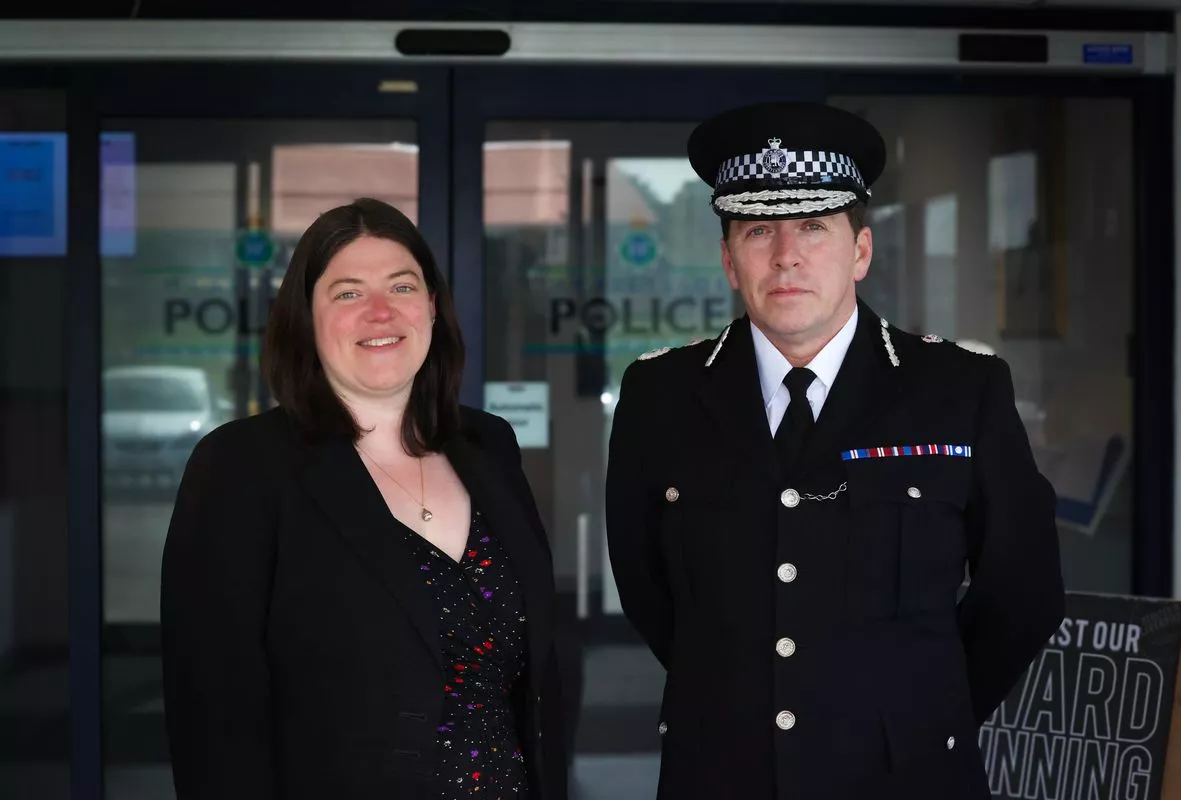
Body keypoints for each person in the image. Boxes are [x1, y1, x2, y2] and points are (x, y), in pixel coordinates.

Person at [605, 102, 1065, 799]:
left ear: (860, 251)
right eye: (759, 229)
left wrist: (920, 711)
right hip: (721, 770)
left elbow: (1023, 592)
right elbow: (649, 588)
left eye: (814, 227)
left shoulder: (960, 390)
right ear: (729, 260)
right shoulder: (659, 396)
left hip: (905, 774)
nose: (787, 255)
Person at [160, 197, 566, 800]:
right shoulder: (241, 468)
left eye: (401, 287)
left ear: (430, 305)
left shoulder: (490, 446)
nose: (380, 312)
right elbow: (214, 714)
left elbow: (534, 679)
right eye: (347, 293)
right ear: (305, 316)